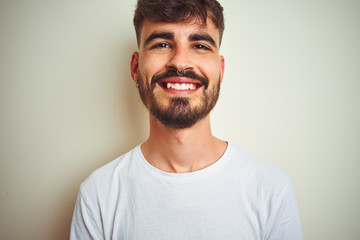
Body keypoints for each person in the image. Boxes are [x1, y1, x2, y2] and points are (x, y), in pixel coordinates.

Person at [70, 0, 303, 239]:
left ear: (220, 71)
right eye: (162, 44)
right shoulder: (98, 195)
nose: (180, 62)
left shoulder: (272, 190)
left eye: (200, 45)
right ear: (135, 68)